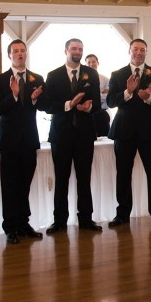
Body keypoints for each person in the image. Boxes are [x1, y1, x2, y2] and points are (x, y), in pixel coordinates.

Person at [37, 38, 103, 234]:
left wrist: (88, 107)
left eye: (80, 49)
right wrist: (69, 105)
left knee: (84, 178)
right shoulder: (54, 75)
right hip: (61, 135)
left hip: (84, 134)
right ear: (65, 50)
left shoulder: (91, 73)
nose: (77, 52)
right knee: (62, 179)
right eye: (74, 48)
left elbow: (98, 103)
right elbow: (47, 105)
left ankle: (86, 219)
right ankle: (59, 221)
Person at [106, 38, 151, 226]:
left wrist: (149, 97)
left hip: (150, 131)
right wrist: (127, 91)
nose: (139, 53)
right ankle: (123, 213)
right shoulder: (118, 74)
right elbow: (110, 102)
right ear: (129, 51)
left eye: (142, 50)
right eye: (136, 49)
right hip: (124, 131)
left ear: (146, 53)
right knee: (123, 173)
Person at [0, 39, 44, 245]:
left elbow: (44, 106)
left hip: (29, 139)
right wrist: (13, 95)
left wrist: (34, 99)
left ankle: (24, 223)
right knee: (10, 184)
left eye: (23, 51)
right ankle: (10, 226)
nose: (20, 54)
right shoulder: (1, 80)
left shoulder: (36, 78)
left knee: (25, 184)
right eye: (16, 51)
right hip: (9, 140)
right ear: (9, 55)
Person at [85, 53, 111, 138]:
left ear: (97, 63)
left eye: (93, 62)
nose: (91, 64)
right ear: (85, 64)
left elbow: (108, 98)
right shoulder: (82, 79)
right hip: (86, 115)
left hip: (102, 114)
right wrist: (101, 93)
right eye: (89, 62)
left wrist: (93, 96)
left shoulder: (105, 79)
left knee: (104, 140)